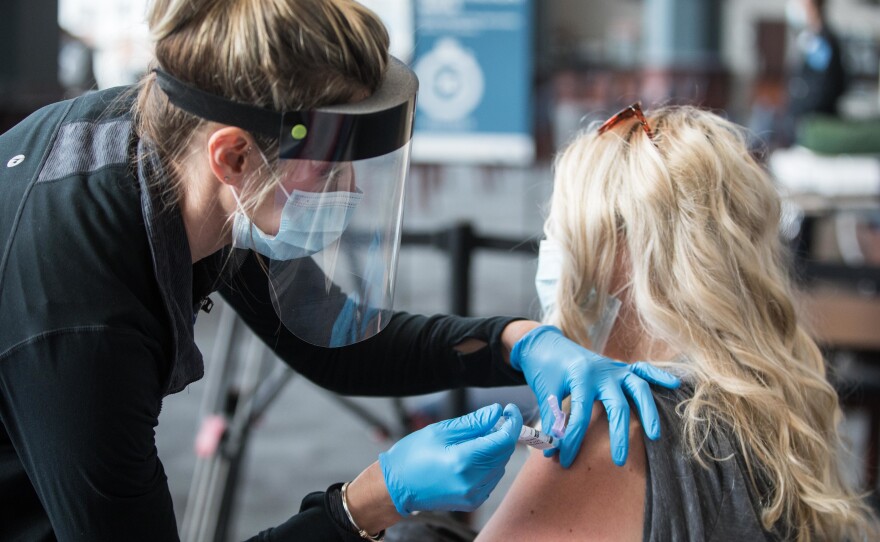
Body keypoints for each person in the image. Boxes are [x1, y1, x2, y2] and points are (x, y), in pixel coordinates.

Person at [0, 2, 680, 541]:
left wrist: (519, 342)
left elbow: (337, 338)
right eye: (330, 159)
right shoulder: (83, 328)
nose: (347, 184)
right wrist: (367, 504)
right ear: (231, 157)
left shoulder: (182, 150)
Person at [477, 104, 880, 541]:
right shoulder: (769, 411)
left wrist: (390, 508)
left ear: (628, 252)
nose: (553, 250)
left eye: (565, 230)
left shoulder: (610, 429)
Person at [785, 0, 846, 126]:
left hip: (816, 122)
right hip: (803, 119)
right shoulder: (809, 37)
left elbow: (824, 88)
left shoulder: (823, 42)